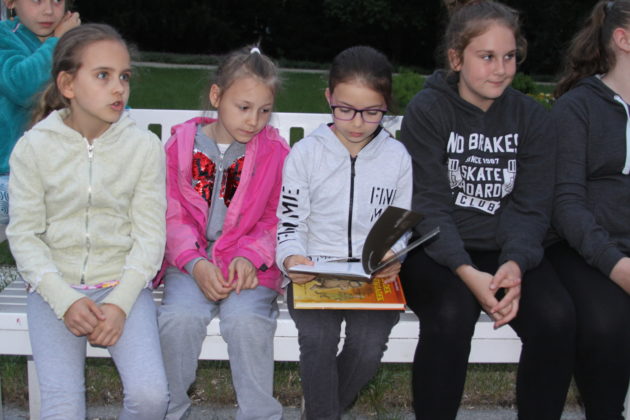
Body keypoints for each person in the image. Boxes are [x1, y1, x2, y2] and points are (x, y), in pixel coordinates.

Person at [399, 1, 576, 419]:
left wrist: (515, 264)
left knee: (556, 318)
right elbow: (428, 205)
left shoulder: (532, 118)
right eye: (487, 57)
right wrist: (466, 271)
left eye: (509, 56)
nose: (501, 69)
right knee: (452, 314)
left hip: (506, 249)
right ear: (456, 59)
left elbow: (531, 207)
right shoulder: (428, 111)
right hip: (437, 249)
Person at [6, 24, 169, 420]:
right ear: (68, 84)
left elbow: (150, 237)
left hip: (122, 286)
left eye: (124, 77)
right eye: (103, 76)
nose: (118, 88)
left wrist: (120, 304)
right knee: (62, 407)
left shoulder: (143, 147)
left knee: (151, 398)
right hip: (54, 288)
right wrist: (64, 301)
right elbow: (24, 236)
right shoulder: (34, 148)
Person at [277, 45, 412, 419]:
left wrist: (393, 253)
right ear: (329, 98)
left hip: (371, 275)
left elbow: (399, 224)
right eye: (345, 109)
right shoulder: (306, 154)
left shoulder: (397, 158)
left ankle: (320, 413)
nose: (357, 122)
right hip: (313, 270)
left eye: (372, 112)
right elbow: (289, 222)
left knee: (368, 346)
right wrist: (291, 257)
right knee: (318, 340)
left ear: (386, 106)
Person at [157, 45, 289, 420]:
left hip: (249, 267)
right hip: (190, 264)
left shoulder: (274, 153)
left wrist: (250, 256)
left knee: (246, 323)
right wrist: (194, 263)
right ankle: (170, 410)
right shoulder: (181, 148)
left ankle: (260, 415)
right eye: (243, 107)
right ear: (216, 96)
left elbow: (276, 216)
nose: (254, 120)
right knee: (178, 320)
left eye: (264, 110)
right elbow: (171, 213)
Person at [547, 1, 630, 418]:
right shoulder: (577, 108)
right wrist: (617, 265)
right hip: (581, 248)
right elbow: (566, 204)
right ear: (624, 39)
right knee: (606, 322)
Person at [0, 0, 80, 236]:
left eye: (57, 1)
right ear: (11, 2)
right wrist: (58, 43)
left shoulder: (79, 44)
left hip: (62, 173)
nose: (48, 10)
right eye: (37, 0)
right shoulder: (4, 37)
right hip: (9, 175)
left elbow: (99, 95)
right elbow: (24, 88)